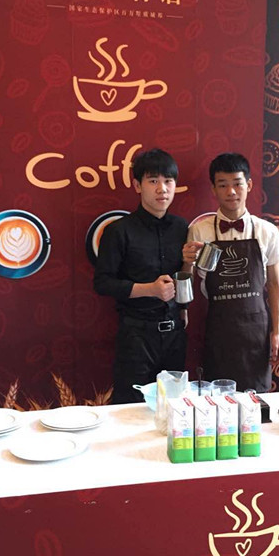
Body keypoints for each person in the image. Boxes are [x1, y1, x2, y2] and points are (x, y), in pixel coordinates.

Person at [182, 153, 279, 392]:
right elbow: (187, 282)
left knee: (255, 400)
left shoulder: (267, 231)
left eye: (237, 184)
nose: (231, 192)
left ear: (249, 185)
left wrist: (277, 332)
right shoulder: (199, 231)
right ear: (213, 190)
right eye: (223, 185)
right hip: (219, 330)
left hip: (256, 331)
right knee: (217, 399)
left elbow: (274, 283)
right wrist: (186, 263)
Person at [94, 148, 188, 403]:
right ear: (137, 185)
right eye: (153, 181)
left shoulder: (182, 228)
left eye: (168, 181)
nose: (162, 189)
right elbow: (102, 283)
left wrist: (184, 306)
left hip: (175, 334)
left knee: (174, 407)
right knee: (131, 407)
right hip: (135, 336)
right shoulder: (119, 231)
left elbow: (184, 276)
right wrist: (149, 289)